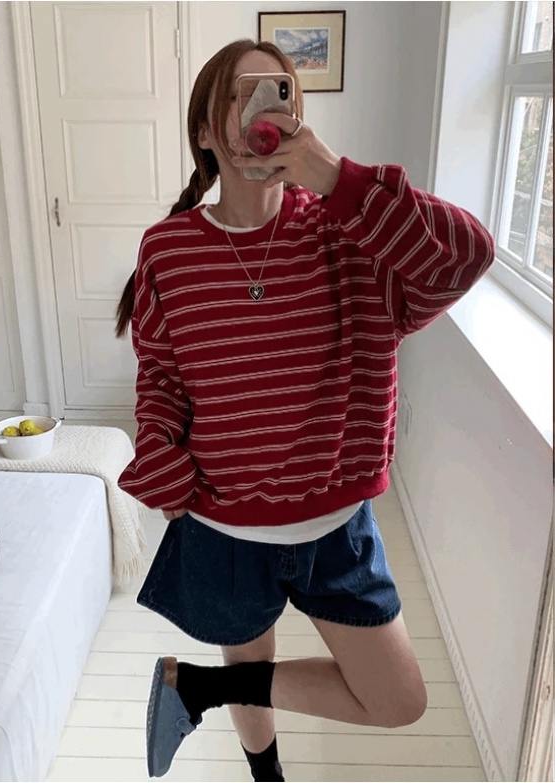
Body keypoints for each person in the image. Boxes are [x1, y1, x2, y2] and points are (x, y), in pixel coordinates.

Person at [116, 38, 494, 782]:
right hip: (223, 523)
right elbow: (161, 372)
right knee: (250, 664)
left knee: (399, 698)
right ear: (206, 131)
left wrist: (336, 179)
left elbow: (467, 255)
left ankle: (197, 689)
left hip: (336, 528)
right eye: (241, 93)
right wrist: (159, 447)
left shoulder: (351, 229)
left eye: (279, 91)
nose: (261, 108)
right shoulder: (167, 250)